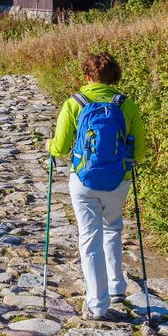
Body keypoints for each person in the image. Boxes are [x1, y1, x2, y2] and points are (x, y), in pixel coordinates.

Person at [48, 51, 147, 321]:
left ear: (88, 76)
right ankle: (117, 288)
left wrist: (49, 145)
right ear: (114, 76)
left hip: (83, 181)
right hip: (118, 180)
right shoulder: (126, 104)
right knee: (112, 229)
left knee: (89, 237)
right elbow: (139, 151)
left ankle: (97, 304)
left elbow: (59, 147)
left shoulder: (75, 103)